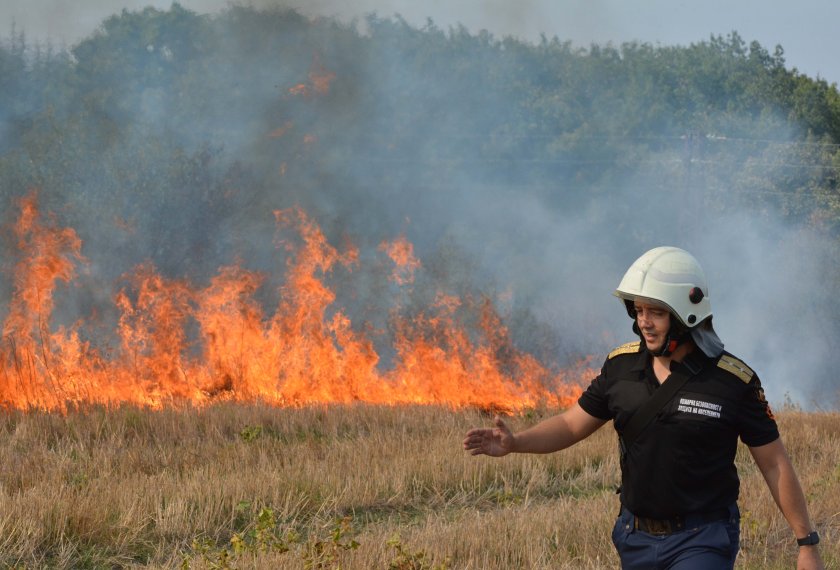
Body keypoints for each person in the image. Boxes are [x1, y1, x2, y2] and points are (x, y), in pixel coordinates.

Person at [463, 246, 824, 569]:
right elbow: (572, 424)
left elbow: (775, 463)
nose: (644, 322)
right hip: (634, 538)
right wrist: (515, 443)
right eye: (638, 311)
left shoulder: (732, 381)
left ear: (686, 316)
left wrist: (806, 543)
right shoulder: (620, 368)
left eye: (656, 313)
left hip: (702, 539)